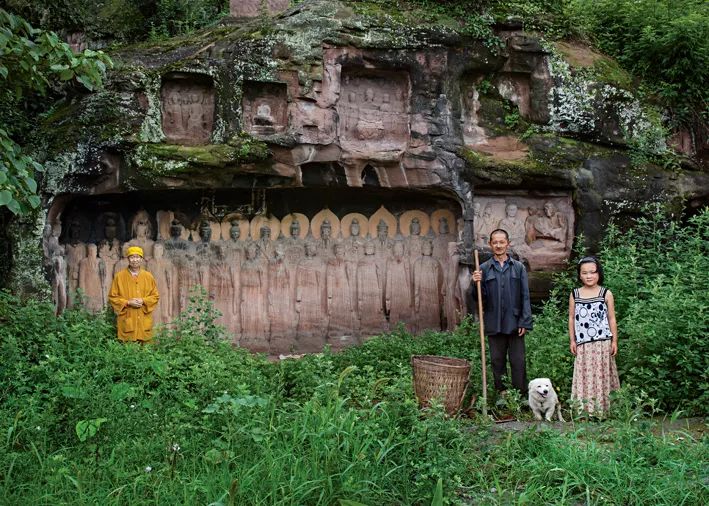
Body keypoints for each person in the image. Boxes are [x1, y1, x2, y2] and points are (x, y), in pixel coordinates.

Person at [472, 229, 533, 398]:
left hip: (515, 323)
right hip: (494, 322)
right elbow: (479, 297)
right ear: (490, 244)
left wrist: (524, 321)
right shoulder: (483, 269)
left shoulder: (518, 267)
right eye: (495, 242)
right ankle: (502, 395)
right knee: (497, 361)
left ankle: (520, 397)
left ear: (508, 243)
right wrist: (475, 283)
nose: (498, 245)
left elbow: (525, 296)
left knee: (518, 361)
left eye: (502, 242)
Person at [568, 256, 620, 415]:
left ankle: (605, 410)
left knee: (602, 374)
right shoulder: (575, 294)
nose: (589, 276)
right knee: (586, 375)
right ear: (579, 275)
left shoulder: (606, 293)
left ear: (599, 273)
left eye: (592, 272)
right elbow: (571, 317)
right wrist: (572, 340)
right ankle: (586, 410)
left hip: (603, 342)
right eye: (584, 273)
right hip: (583, 343)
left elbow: (611, 318)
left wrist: (614, 341)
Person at [108, 246, 160, 343]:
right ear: (128, 259)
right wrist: (128, 302)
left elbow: (155, 296)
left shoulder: (148, 276)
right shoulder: (119, 277)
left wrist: (143, 300)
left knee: (146, 351)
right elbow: (112, 297)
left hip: (144, 321)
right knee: (128, 351)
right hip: (127, 321)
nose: (134, 260)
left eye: (137, 257)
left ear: (141, 259)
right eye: (132, 257)